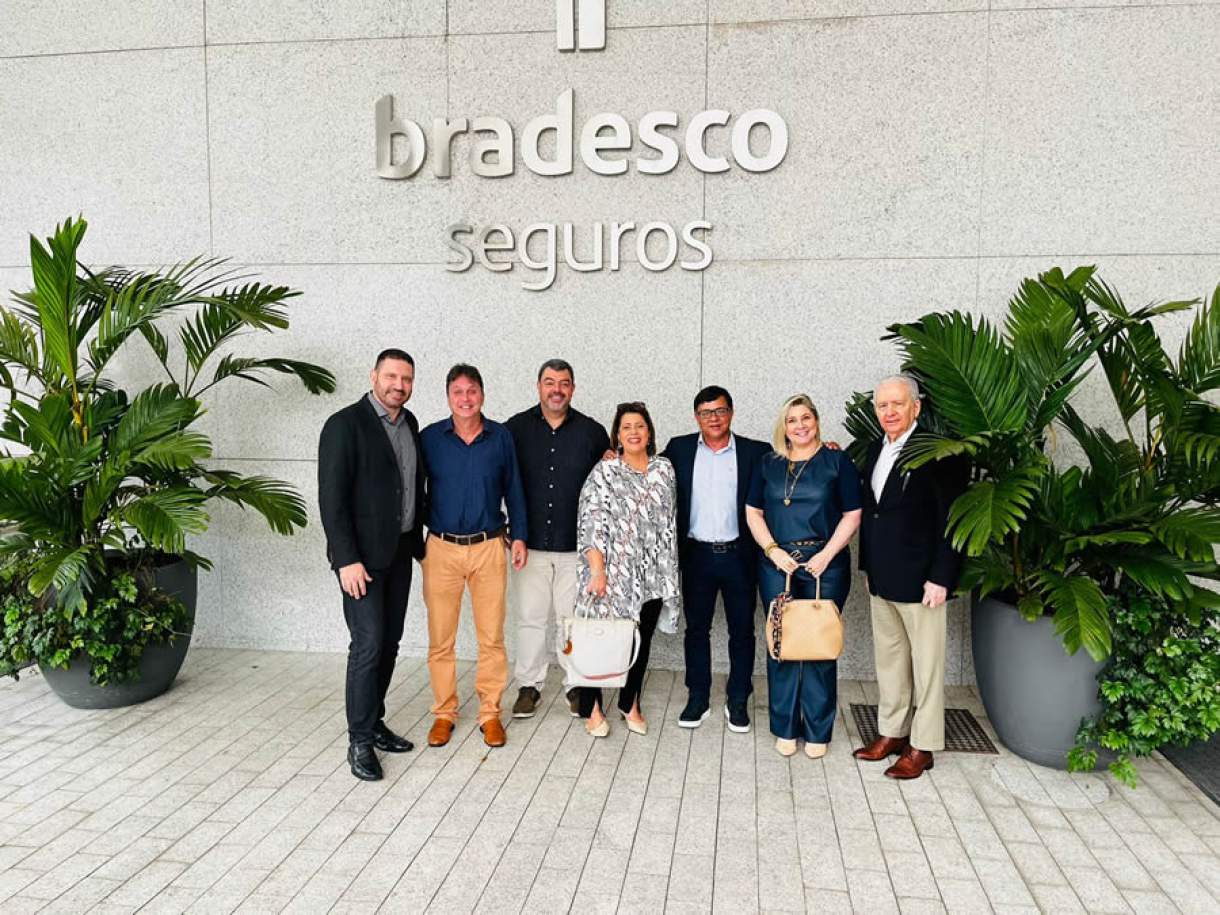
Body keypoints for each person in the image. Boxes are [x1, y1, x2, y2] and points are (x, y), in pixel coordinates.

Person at [317, 349, 426, 781]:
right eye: (391, 376)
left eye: (406, 379)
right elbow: (332, 499)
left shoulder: (410, 423)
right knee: (368, 644)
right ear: (374, 376)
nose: (399, 385)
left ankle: (375, 721)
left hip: (399, 554)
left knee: (391, 642)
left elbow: (410, 487)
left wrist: (419, 544)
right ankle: (359, 740)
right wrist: (346, 559)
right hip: (360, 562)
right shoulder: (344, 425)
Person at [853, 374, 967, 779]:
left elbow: (953, 520)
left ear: (915, 407)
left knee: (927, 667)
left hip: (923, 582)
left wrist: (942, 577)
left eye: (897, 404)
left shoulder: (940, 453)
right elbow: (874, 512)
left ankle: (923, 746)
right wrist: (868, 566)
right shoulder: (875, 448)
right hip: (883, 577)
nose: (889, 412)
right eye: (882, 405)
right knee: (890, 660)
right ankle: (892, 732)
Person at [745, 394, 862, 758]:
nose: (800, 425)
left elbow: (853, 513)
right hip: (777, 565)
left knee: (818, 646)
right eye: (792, 420)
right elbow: (753, 511)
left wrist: (827, 555)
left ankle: (817, 730)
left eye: (806, 418)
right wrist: (773, 551)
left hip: (824, 566)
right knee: (781, 645)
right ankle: (784, 727)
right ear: (784, 426)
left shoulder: (836, 460)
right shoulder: (768, 463)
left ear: (816, 421)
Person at [419, 364, 528, 749]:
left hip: (488, 547)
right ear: (448, 396)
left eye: (472, 391)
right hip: (441, 548)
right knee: (441, 638)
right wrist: (418, 539)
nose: (465, 399)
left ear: (482, 394)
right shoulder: (430, 438)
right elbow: (414, 489)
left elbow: (514, 488)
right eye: (458, 392)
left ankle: (490, 713)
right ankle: (444, 712)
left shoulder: (501, 437)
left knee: (491, 636)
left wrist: (519, 535)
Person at [505, 359, 610, 719]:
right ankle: (528, 685)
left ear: (573, 389)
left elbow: (606, 484)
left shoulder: (592, 432)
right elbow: (503, 481)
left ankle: (575, 684)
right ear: (538, 387)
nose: (557, 390)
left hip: (576, 547)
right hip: (528, 543)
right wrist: (510, 530)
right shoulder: (515, 429)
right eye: (549, 382)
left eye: (564, 383)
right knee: (530, 618)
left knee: (572, 620)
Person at [661, 386, 770, 732]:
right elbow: (644, 468)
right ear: (697, 417)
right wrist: (612, 454)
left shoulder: (757, 452)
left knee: (743, 630)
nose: (714, 418)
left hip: (740, 556)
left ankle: (738, 698)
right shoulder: (678, 449)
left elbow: (794, 463)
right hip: (697, 556)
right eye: (706, 412)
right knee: (697, 630)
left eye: (720, 411)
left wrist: (828, 449)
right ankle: (698, 697)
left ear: (731, 413)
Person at [574, 402, 681, 737]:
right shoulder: (605, 471)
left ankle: (629, 702)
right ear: (617, 436)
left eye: (640, 426)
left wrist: (667, 574)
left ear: (649, 432)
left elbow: (669, 523)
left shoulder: (664, 470)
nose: (634, 432)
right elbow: (591, 522)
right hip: (610, 573)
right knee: (598, 638)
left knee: (639, 641)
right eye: (626, 427)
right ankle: (590, 706)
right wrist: (597, 570)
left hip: (652, 575)